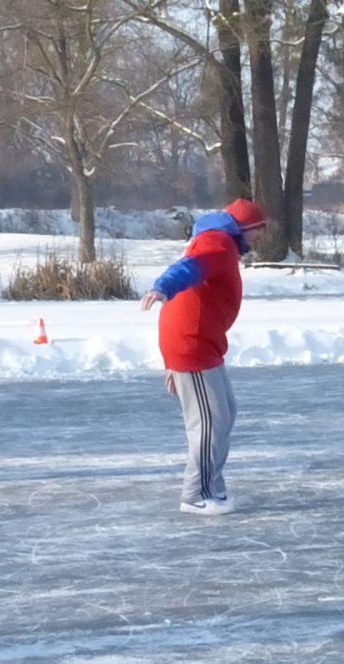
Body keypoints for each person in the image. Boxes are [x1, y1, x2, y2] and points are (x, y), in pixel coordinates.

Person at [141, 198, 267, 515]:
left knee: (224, 412)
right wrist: (163, 287)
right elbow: (189, 268)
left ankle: (212, 486)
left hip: (202, 342)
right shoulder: (218, 243)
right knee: (209, 420)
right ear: (245, 228)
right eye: (258, 231)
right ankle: (196, 494)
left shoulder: (222, 243)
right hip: (191, 343)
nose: (259, 238)